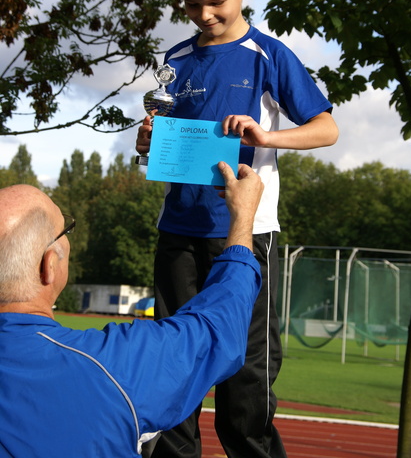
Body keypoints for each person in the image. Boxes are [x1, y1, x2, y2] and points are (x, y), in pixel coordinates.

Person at [136, 0, 339, 458]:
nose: (204, 15)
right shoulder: (175, 62)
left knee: (245, 389)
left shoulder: (268, 56)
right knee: (176, 373)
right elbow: (165, 144)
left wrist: (267, 135)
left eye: (216, 2)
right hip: (177, 235)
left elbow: (326, 128)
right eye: (191, 5)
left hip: (246, 238)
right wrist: (148, 142)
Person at [0, 161, 263, 458]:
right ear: (49, 265)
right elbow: (219, 326)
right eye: (66, 231)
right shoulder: (113, 369)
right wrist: (243, 219)